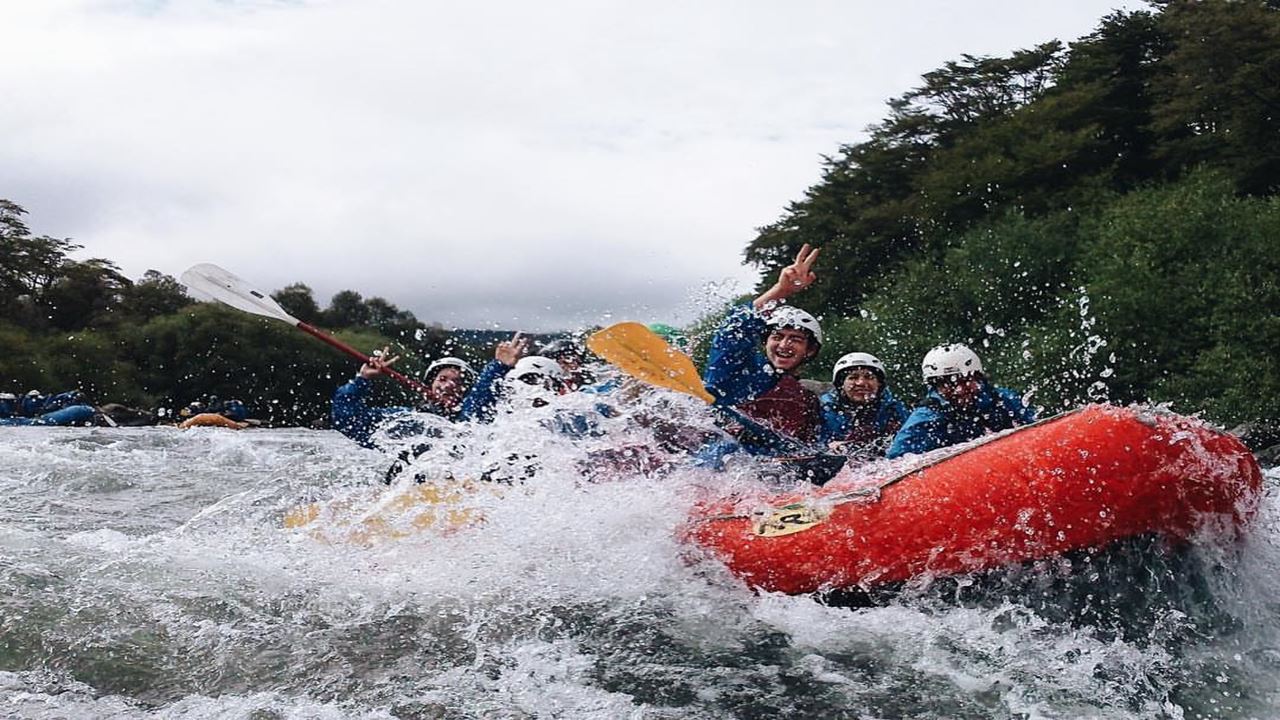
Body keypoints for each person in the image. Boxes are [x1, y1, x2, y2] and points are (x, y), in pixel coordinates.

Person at [702, 244, 824, 451]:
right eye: (777, 336)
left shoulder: (809, 399)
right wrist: (781, 290)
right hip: (720, 460)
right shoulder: (737, 373)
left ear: (810, 350)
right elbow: (733, 331)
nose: (784, 344)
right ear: (766, 342)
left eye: (795, 339)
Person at [887, 343, 1037, 459]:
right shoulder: (926, 417)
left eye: (965, 381)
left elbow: (1034, 431)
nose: (959, 390)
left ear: (978, 378)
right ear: (936, 387)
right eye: (948, 384)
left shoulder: (1004, 400)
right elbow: (896, 462)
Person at [819, 352, 910, 459]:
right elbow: (812, 444)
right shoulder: (824, 409)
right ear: (841, 384)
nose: (861, 383)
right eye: (853, 377)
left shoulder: (894, 410)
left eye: (869, 377)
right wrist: (827, 447)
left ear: (879, 384)